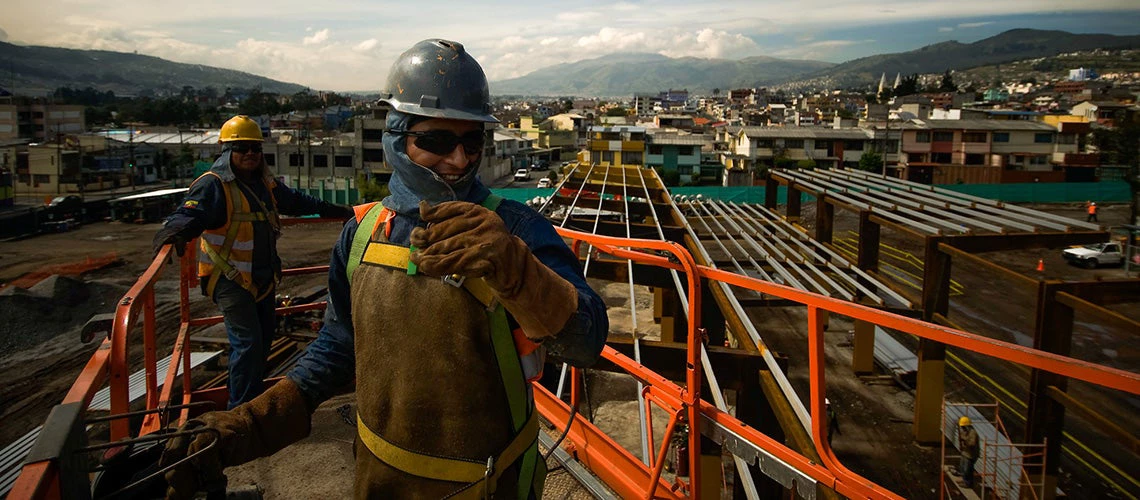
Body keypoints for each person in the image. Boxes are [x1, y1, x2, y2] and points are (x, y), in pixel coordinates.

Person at [160, 39, 609, 499]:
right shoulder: (362, 233)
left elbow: (587, 342)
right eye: (436, 141)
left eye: (472, 141)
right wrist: (252, 422)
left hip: (486, 486)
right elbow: (339, 344)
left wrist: (518, 270)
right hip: (379, 481)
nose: (459, 160)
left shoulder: (514, 228)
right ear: (397, 138)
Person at [152, 115, 352, 410]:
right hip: (230, 280)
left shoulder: (265, 185)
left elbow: (301, 203)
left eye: (254, 148)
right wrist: (175, 232)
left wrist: (346, 211)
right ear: (226, 152)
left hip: (262, 278)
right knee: (248, 345)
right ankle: (241, 412)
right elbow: (189, 213)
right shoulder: (213, 185)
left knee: (263, 343)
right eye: (241, 147)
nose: (249, 154)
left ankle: (251, 403)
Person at [957, 416, 980, 488]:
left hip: (971, 454)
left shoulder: (973, 433)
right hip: (965, 452)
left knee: (968, 469)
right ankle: (964, 480)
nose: (962, 428)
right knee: (963, 467)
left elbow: (972, 444)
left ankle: (968, 483)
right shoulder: (965, 431)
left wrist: (964, 439)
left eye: (963, 427)